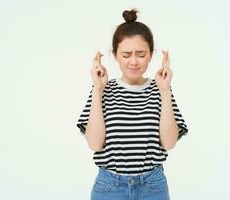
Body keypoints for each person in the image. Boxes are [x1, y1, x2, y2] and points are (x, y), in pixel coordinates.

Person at [77, 8, 188, 200]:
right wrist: (97, 89)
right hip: (109, 187)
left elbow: (169, 143)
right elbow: (95, 144)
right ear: (115, 55)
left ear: (151, 55)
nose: (134, 62)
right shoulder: (103, 90)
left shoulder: (160, 89)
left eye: (141, 54)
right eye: (126, 54)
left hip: (153, 187)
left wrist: (165, 90)